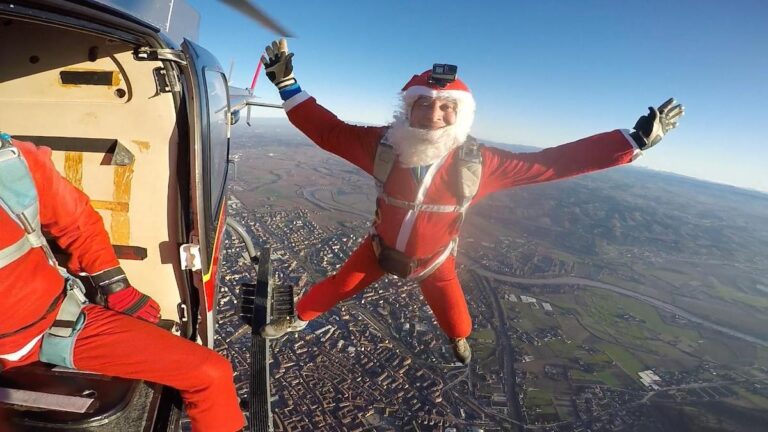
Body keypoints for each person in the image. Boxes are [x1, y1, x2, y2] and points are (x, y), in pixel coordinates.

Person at [258, 39, 684, 365]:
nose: (434, 113)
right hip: (379, 249)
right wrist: (287, 85)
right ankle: (294, 319)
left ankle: (457, 338)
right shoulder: (382, 146)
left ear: (460, 115)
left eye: (446, 106)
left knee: (455, 316)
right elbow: (329, 131)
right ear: (408, 110)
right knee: (337, 286)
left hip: (434, 260)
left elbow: (552, 164)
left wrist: (632, 141)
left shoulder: (481, 163)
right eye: (423, 104)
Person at [0, 133, 244, 431]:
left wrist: (117, 288)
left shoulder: (11, 164)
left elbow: (77, 222)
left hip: (57, 324)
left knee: (210, 374)